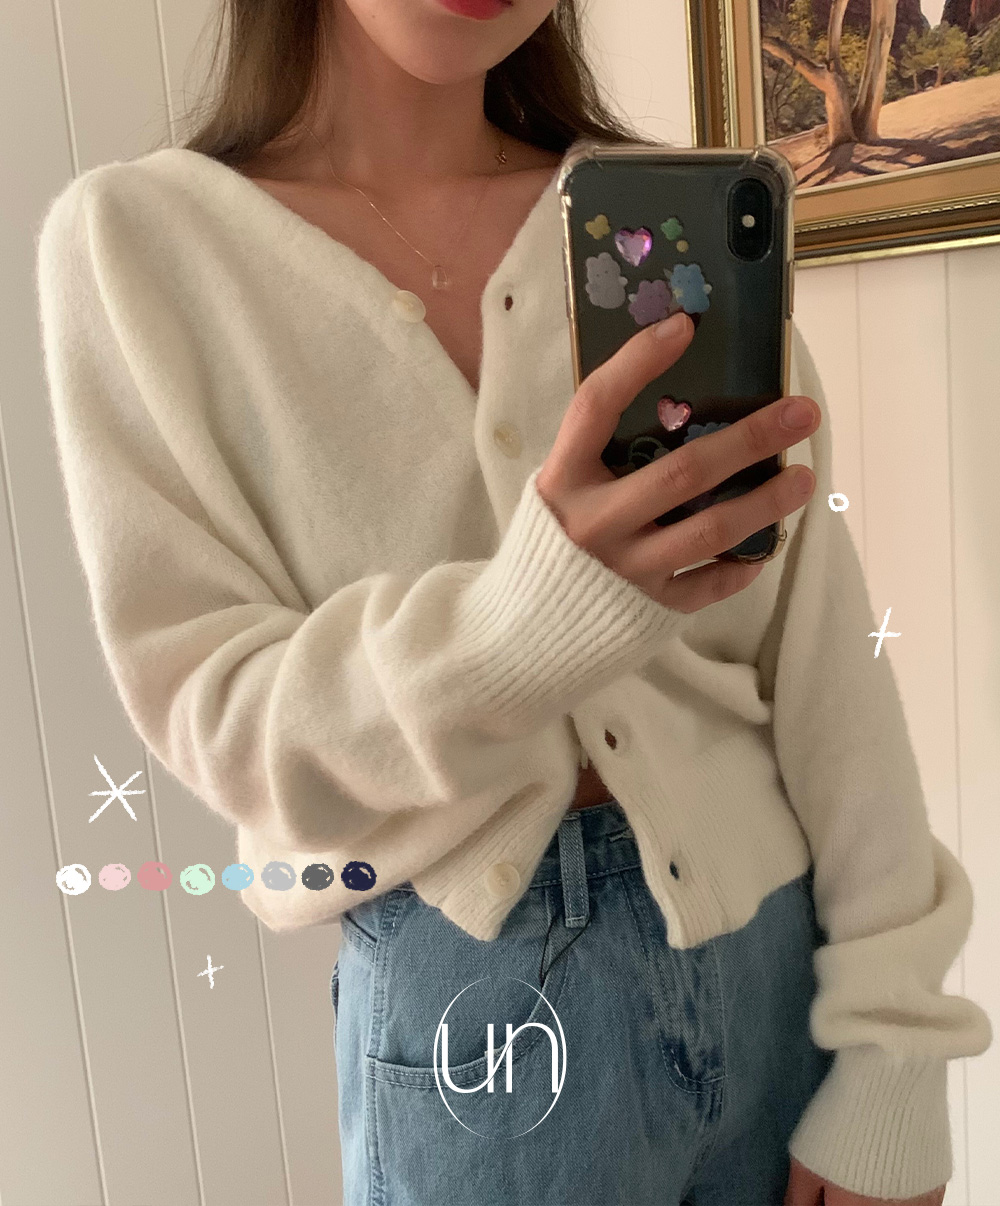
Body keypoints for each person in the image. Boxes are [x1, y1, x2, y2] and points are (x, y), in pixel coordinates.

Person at [34, 0, 991, 1203]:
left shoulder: (667, 230)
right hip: (478, 1023)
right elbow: (227, 728)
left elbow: (825, 670)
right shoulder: (140, 247)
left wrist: (899, 1049)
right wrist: (527, 621)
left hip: (777, 974)